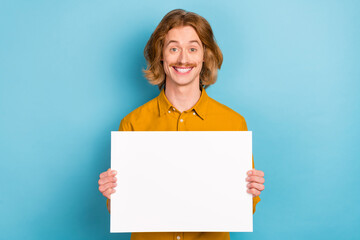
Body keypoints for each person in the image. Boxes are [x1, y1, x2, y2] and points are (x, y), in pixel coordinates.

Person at [98, 9, 265, 240]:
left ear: (205, 55)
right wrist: (112, 194)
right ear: (161, 55)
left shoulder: (233, 123)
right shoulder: (132, 123)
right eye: (174, 48)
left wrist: (250, 191)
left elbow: (246, 209)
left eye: (193, 49)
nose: (183, 59)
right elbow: (120, 209)